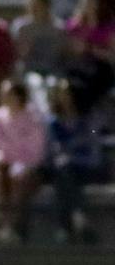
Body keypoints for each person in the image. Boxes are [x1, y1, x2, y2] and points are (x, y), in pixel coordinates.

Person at [0, 78, 46, 242]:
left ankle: (14, 224)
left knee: (18, 177)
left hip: (26, 168)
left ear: (19, 96)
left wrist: (19, 163)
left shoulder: (34, 119)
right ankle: (4, 223)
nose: (4, 97)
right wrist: (2, 158)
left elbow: (35, 150)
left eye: (9, 94)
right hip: (1, 166)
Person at [43, 79, 105, 243]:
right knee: (64, 169)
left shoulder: (87, 121)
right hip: (63, 168)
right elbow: (53, 150)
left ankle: (63, 227)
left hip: (86, 167)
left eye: (67, 94)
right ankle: (79, 217)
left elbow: (93, 148)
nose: (63, 98)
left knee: (64, 175)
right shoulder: (54, 123)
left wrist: (74, 156)